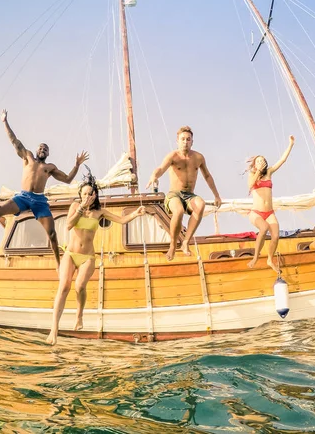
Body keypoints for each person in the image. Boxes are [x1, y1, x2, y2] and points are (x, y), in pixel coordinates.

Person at [0, 109, 89, 267]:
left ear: (48, 153)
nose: (42, 150)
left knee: (52, 233)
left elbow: (68, 179)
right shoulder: (28, 156)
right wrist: (5, 122)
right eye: (40, 148)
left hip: (39, 200)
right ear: (37, 150)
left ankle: (59, 265)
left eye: (45, 149)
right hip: (23, 197)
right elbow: (14, 141)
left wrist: (76, 165)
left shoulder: (50, 167)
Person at [46, 172, 146, 345]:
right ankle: (53, 330)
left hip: (87, 257)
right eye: (83, 193)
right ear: (80, 195)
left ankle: (79, 315)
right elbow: (69, 225)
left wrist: (135, 214)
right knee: (63, 287)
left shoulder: (99, 212)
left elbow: (121, 220)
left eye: (89, 194)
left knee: (79, 286)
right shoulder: (75, 206)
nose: (86, 196)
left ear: (94, 196)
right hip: (70, 254)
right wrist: (80, 208)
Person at [146, 126, 222, 261]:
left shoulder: (198, 157)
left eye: (188, 139)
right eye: (182, 139)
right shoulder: (173, 156)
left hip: (189, 195)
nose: (185, 142)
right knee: (179, 211)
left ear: (192, 141)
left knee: (200, 204)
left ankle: (186, 242)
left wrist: (216, 195)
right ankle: (173, 245)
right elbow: (161, 168)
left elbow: (208, 176)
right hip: (174, 194)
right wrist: (154, 176)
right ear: (177, 141)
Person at [247, 135, 295, 269]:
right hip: (256, 213)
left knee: (275, 236)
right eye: (258, 161)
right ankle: (256, 257)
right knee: (263, 228)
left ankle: (269, 259)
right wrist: (257, 172)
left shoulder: (269, 172)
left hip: (269, 212)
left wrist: (290, 144)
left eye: (262, 161)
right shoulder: (252, 175)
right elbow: (250, 185)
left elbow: (283, 160)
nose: (261, 162)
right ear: (255, 165)